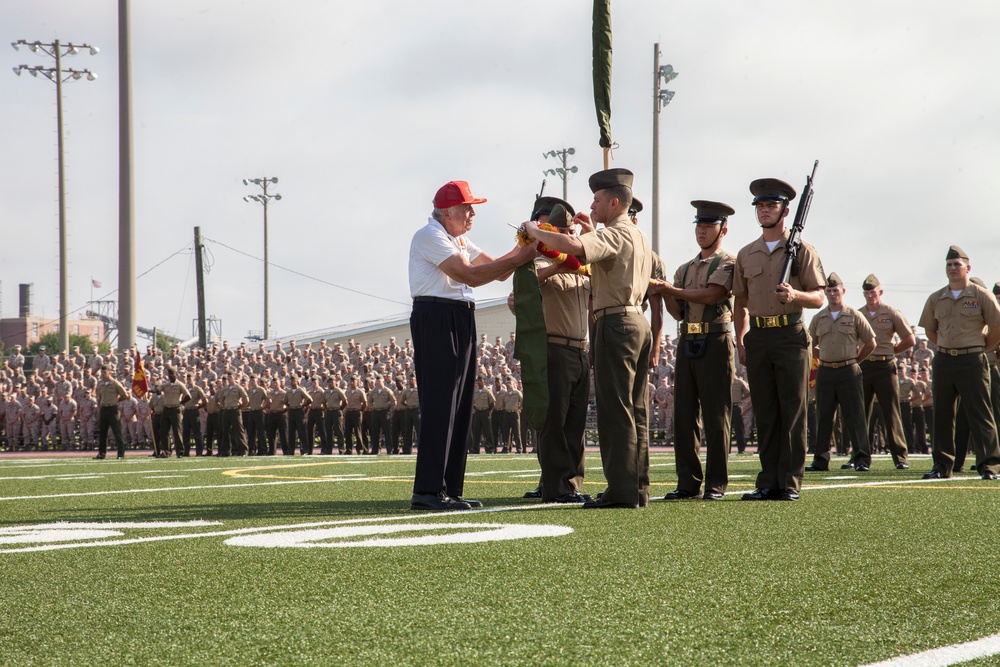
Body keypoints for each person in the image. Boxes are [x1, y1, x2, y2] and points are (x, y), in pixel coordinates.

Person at [524, 168, 652, 508]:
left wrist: (536, 231)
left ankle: (622, 491)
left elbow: (574, 246)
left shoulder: (614, 233)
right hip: (637, 321)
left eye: (596, 200)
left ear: (613, 202)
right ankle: (637, 487)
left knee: (616, 411)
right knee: (636, 410)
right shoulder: (637, 234)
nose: (591, 205)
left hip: (616, 324)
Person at [408, 179, 535, 511]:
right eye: (467, 208)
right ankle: (428, 491)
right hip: (437, 316)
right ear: (448, 212)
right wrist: (525, 253)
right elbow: (471, 275)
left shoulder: (456, 237)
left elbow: (499, 270)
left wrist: (525, 245)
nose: (472, 214)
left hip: (459, 316)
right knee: (440, 403)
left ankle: (448, 488)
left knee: (459, 405)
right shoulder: (430, 236)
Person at [732, 177, 825, 501]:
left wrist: (795, 294)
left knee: (793, 410)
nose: (764, 211)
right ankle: (767, 480)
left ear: (785, 210)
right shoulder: (747, 253)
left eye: (770, 205)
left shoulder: (801, 250)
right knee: (765, 410)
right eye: (760, 206)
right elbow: (740, 301)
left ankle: (789, 481)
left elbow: (818, 298)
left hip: (790, 333)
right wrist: (741, 339)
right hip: (758, 335)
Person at [654, 200, 737, 501]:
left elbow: (713, 294)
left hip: (715, 341)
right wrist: (663, 292)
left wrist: (671, 290)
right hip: (688, 342)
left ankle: (716, 483)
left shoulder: (728, 262)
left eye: (708, 226)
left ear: (722, 229)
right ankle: (688, 482)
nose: (701, 231)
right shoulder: (684, 268)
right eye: (699, 225)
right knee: (684, 414)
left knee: (717, 415)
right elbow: (678, 312)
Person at [525, 200, 593, 503]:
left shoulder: (584, 265)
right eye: (562, 231)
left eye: (571, 231)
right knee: (554, 423)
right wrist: (558, 262)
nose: (567, 236)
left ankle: (573, 484)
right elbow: (530, 282)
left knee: (576, 425)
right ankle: (554, 487)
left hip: (581, 350)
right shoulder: (540, 260)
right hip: (554, 348)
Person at [918, 246, 1000, 480]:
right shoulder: (936, 298)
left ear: (968, 268)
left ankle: (990, 465)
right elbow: (931, 330)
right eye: (949, 265)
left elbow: (997, 326)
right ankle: (942, 465)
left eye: (957, 264)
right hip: (944, 360)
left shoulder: (981, 295)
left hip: (972, 360)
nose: (952, 268)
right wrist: (947, 345)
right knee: (942, 414)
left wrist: (981, 347)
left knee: (980, 413)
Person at [804, 273, 877, 471]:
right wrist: (824, 354)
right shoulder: (819, 318)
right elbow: (810, 344)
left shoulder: (854, 315)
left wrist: (855, 359)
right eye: (828, 291)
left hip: (849, 371)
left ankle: (861, 459)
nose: (832, 294)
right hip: (826, 371)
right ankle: (820, 460)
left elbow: (871, 343)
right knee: (824, 417)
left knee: (855, 417)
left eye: (835, 290)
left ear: (843, 291)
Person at [858, 274, 915, 469]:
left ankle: (900, 458)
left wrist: (893, 351)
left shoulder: (891, 313)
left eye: (873, 292)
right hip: (864, 365)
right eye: (867, 293)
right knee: (861, 413)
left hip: (885, 366)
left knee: (891, 413)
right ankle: (860, 458)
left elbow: (909, 339)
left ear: (880, 292)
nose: (870, 296)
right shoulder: (858, 314)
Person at [95, 364, 128, 459]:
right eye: (101, 372)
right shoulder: (100, 383)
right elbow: (99, 396)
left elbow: (125, 395)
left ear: (110, 372)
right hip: (104, 409)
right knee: (102, 432)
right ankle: (102, 453)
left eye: (104, 372)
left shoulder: (115, 383)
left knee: (117, 432)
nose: (102, 374)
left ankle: (121, 454)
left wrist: (116, 400)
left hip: (113, 409)